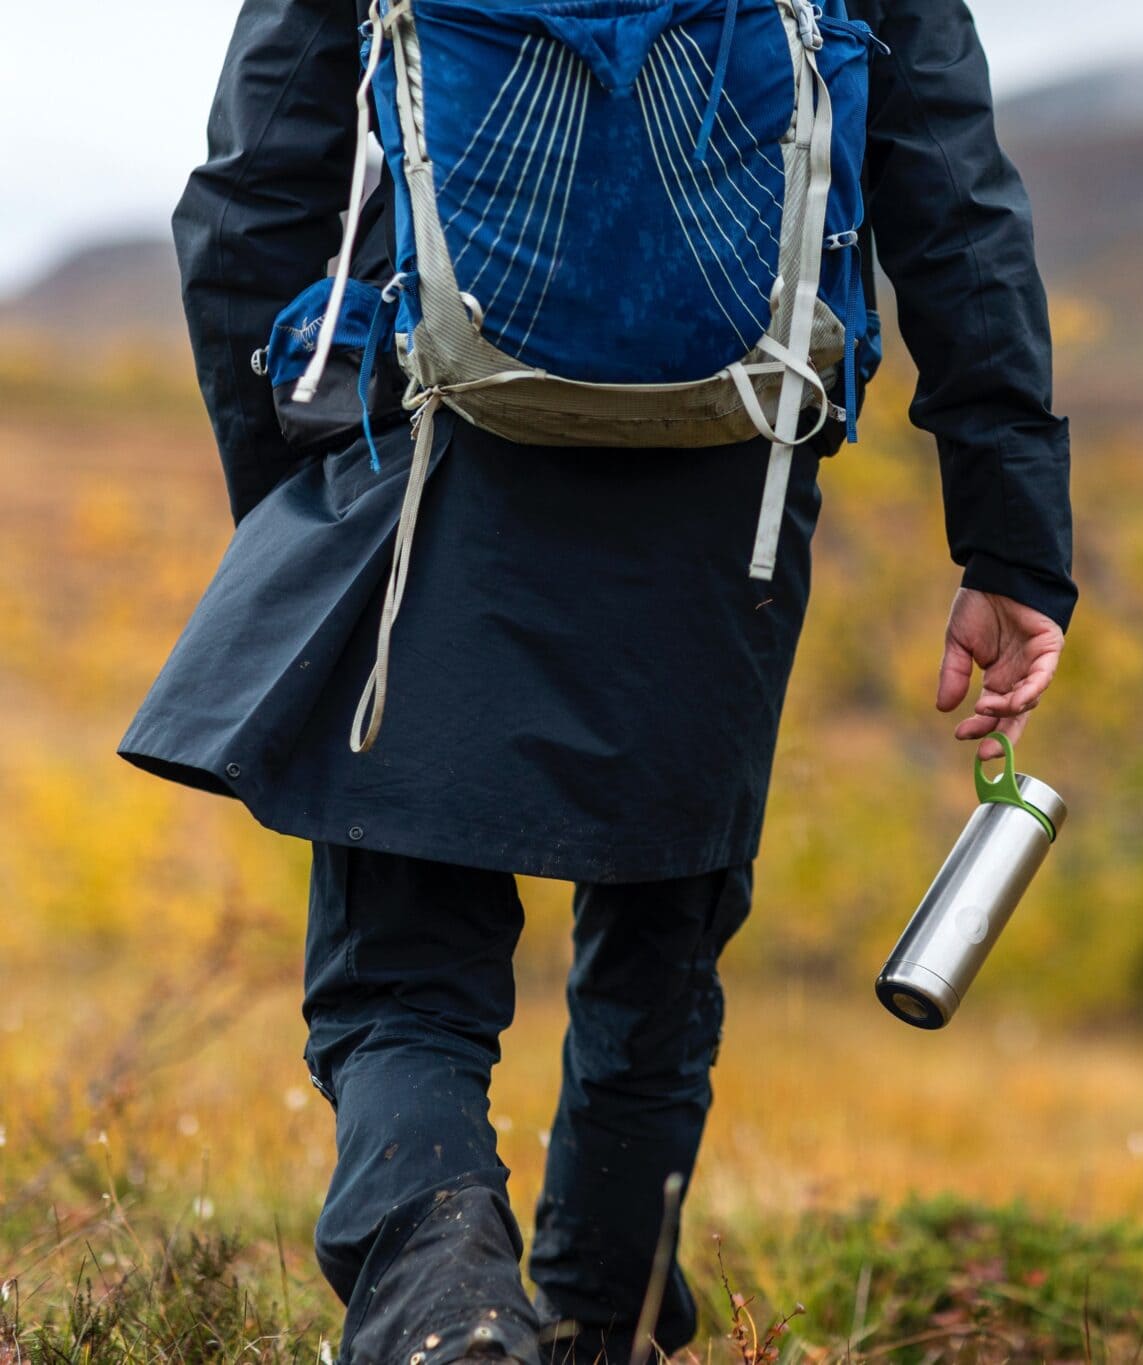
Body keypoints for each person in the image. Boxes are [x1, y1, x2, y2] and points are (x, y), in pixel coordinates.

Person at [118, 0, 1075, 1359]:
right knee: (660, 946)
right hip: (729, 481)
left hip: (438, 454)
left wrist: (297, 505)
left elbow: (246, 196)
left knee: (401, 974)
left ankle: (439, 1306)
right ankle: (597, 1319)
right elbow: (959, 213)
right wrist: (1012, 541)